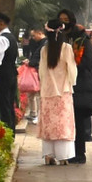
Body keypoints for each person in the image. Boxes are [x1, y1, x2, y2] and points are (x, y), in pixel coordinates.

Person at [37, 20, 77, 165]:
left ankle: (48, 155)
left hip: (47, 91)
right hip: (63, 91)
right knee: (63, 124)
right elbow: (72, 70)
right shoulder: (67, 48)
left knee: (49, 124)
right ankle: (63, 156)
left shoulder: (44, 50)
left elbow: (42, 71)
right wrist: (72, 83)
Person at [60, 10, 92, 164]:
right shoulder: (66, 40)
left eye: (66, 20)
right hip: (71, 86)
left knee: (79, 121)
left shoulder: (82, 44)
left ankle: (79, 153)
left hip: (81, 86)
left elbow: (85, 64)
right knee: (72, 121)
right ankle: (72, 152)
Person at [19, 28, 45, 123]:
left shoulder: (44, 44)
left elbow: (38, 58)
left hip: (39, 72)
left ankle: (36, 114)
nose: (33, 38)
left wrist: (31, 62)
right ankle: (34, 113)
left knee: (37, 94)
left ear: (40, 32)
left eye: (34, 35)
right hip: (38, 71)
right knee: (32, 94)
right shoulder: (41, 43)